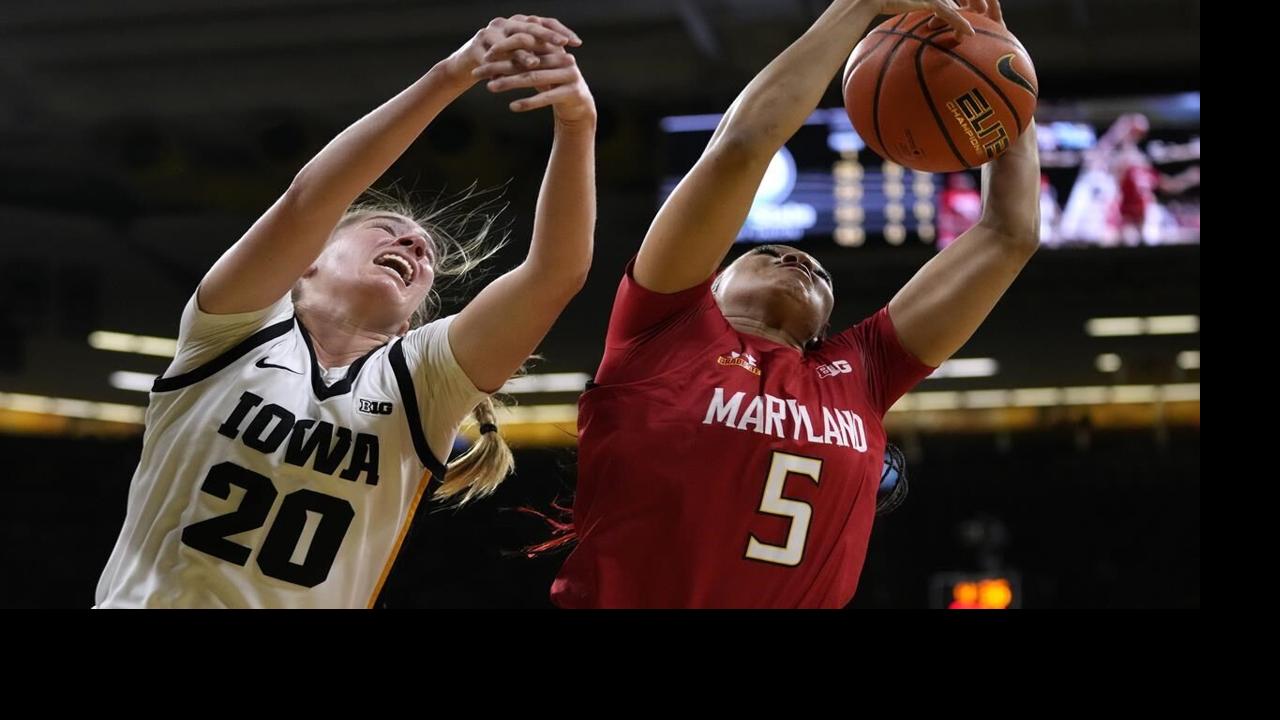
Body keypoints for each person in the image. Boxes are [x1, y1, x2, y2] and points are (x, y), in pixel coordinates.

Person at [96, 14, 597, 608]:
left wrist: (576, 125)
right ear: (307, 262)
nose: (414, 245)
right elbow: (309, 199)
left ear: (412, 321)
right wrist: (451, 74)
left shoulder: (421, 381)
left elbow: (554, 274)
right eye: (387, 229)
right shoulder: (232, 329)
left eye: (426, 254)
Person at [552, 0, 1039, 608]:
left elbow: (1008, 235)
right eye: (766, 254)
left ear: (824, 327)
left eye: (817, 272)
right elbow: (744, 145)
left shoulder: (859, 373)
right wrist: (858, 8)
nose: (800, 260)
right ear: (712, 285)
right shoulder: (662, 327)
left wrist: (1005, 74)